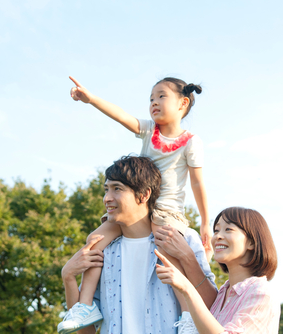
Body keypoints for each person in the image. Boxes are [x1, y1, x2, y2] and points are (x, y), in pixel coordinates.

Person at [59, 76, 212, 332]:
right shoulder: (149, 130)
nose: (154, 102)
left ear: (183, 103)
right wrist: (91, 98)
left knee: (167, 251)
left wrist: (206, 222)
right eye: (151, 98)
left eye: (161, 96)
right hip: (143, 208)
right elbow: (120, 115)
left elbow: (197, 183)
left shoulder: (191, 142)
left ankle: (187, 316)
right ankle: (84, 306)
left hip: (166, 211)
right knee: (95, 239)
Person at [59, 156, 217, 334]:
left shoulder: (184, 238)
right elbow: (84, 330)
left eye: (117, 189)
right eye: (106, 190)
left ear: (144, 195)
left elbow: (213, 307)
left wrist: (187, 257)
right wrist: (68, 277)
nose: (106, 198)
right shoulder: (103, 249)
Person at [155, 207, 280, 334]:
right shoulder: (224, 293)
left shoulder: (261, 292)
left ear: (251, 243)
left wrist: (187, 289)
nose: (218, 236)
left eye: (228, 229)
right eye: (216, 230)